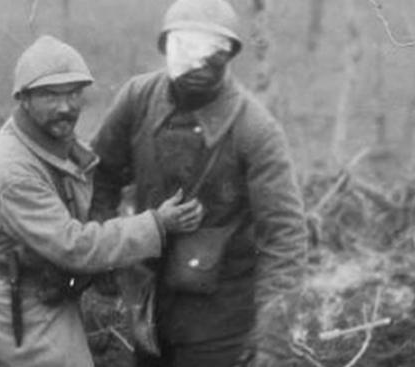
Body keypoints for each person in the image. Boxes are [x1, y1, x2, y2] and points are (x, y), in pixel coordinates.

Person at [90, 0, 310, 365]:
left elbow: (285, 239)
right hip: (149, 310)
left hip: (221, 323)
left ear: (229, 57)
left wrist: (272, 342)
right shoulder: (138, 99)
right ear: (166, 48)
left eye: (212, 52)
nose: (198, 63)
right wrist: (104, 251)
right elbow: (100, 174)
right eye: (186, 48)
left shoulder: (255, 130)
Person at [0, 35, 204, 367]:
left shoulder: (44, 140)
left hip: (35, 294)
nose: (66, 107)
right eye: (50, 95)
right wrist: (155, 225)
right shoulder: (14, 169)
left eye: (74, 93)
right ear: (24, 99)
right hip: (19, 308)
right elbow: (72, 246)